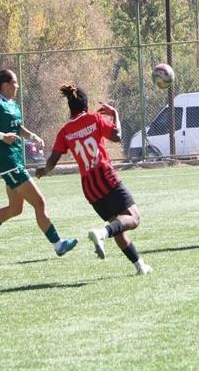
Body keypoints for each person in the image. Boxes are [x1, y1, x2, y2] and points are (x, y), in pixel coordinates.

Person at [36, 83, 153, 275]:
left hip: (89, 188)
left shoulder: (65, 131)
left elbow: (52, 161)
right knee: (134, 218)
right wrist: (114, 114)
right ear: (85, 105)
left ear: (70, 108)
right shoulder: (94, 119)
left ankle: (139, 265)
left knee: (119, 226)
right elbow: (117, 137)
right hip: (105, 176)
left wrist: (43, 171)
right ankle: (102, 233)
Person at [0, 69, 77, 257]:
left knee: (15, 209)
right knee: (39, 202)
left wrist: (32, 136)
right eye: (15, 83)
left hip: (16, 159)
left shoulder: (12, 105)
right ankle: (58, 245)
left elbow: (17, 127)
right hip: (9, 162)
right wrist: (3, 136)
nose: (17, 86)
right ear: (5, 85)